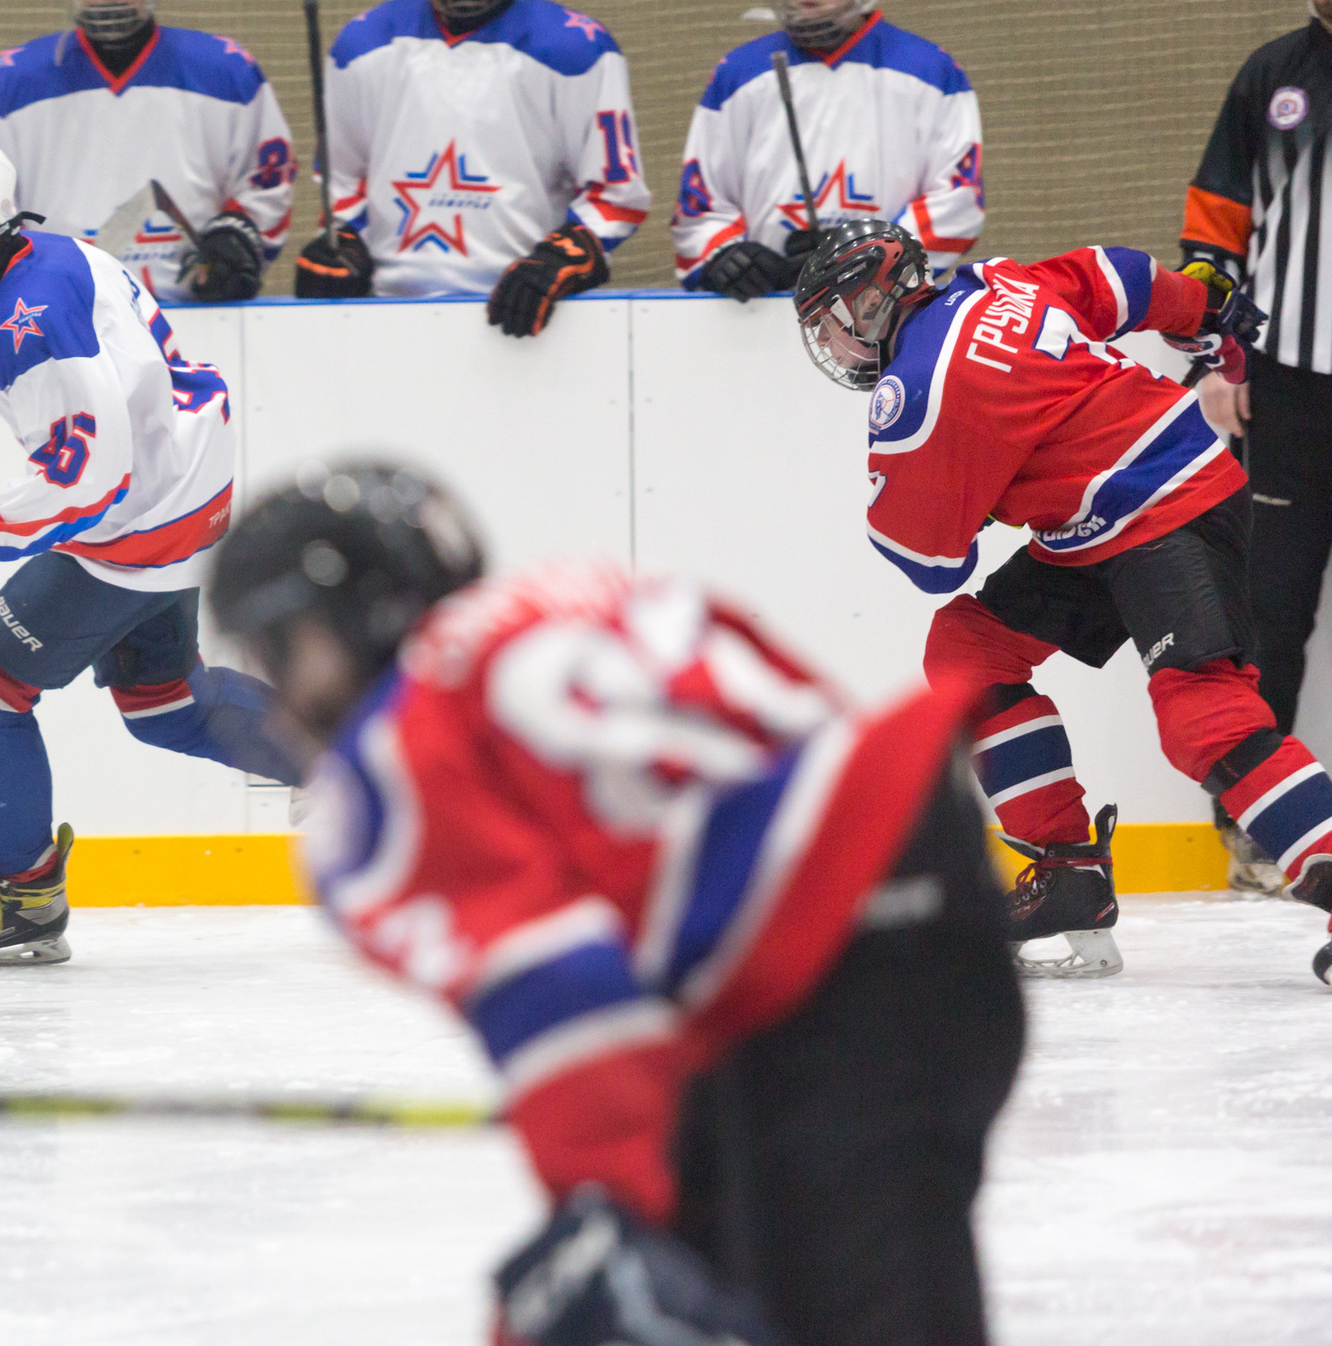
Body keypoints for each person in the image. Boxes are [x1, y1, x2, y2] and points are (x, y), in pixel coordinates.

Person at [209, 460, 1023, 1346]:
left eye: (283, 648)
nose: (280, 697)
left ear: (354, 614)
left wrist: (609, 1224)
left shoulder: (385, 766)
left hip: (834, 981)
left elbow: (567, 1006)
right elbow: (800, 761)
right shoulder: (580, 590)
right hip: (926, 900)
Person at [792, 219, 1332, 984]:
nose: (832, 345)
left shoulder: (912, 394)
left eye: (829, 323)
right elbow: (1126, 280)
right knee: (970, 649)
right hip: (1106, 520)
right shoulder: (997, 282)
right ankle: (1068, 869)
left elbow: (930, 562)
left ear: (871, 302)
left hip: (1165, 505)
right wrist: (1208, 316)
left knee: (1200, 718)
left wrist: (971, 501)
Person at [0, 134, 282, 967]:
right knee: (167, 705)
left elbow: (88, 479)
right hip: (186, 494)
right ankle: (359, 753)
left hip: (134, 526)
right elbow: (91, 370)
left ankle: (22, 897)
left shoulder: (32, 318)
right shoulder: (46, 254)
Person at [291, 0, 647, 335]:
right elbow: (343, 177)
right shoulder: (364, 44)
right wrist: (346, 242)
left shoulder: (573, 48)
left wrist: (561, 259)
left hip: (526, 317)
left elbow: (616, 192)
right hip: (385, 316)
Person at [0, 0, 294, 304]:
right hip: (59, 315)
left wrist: (237, 237)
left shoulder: (226, 71)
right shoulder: (10, 84)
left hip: (193, 309)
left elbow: (267, 179)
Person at [1181, 0, 1332, 783]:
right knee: (1270, 605)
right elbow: (1212, 234)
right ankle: (1256, 807)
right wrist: (1217, 355)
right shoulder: (1269, 78)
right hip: (1283, 389)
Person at [674, 0, 984, 301]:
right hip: (761, 315)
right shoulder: (739, 74)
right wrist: (726, 253)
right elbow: (701, 203)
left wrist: (868, 254)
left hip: (888, 313)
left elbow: (958, 200)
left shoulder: (930, 71)